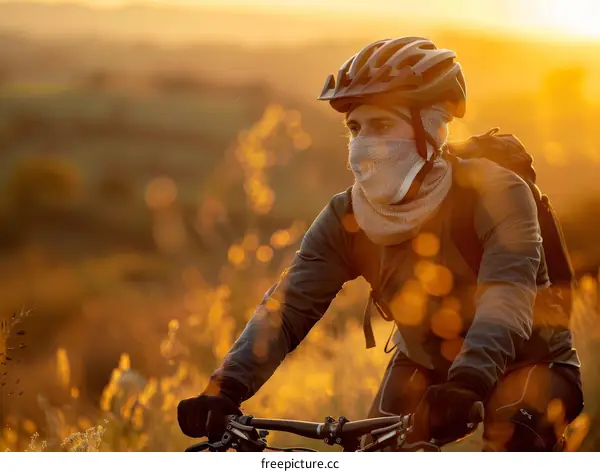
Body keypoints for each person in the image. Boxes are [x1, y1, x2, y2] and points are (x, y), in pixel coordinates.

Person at [177, 36, 584, 451]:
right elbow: (287, 310)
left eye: (383, 125)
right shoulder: (346, 216)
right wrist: (223, 389)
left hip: (529, 362)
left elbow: (507, 296)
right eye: (356, 128)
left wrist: (470, 380)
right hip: (424, 363)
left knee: (512, 443)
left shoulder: (495, 192)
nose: (363, 144)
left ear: (430, 128)